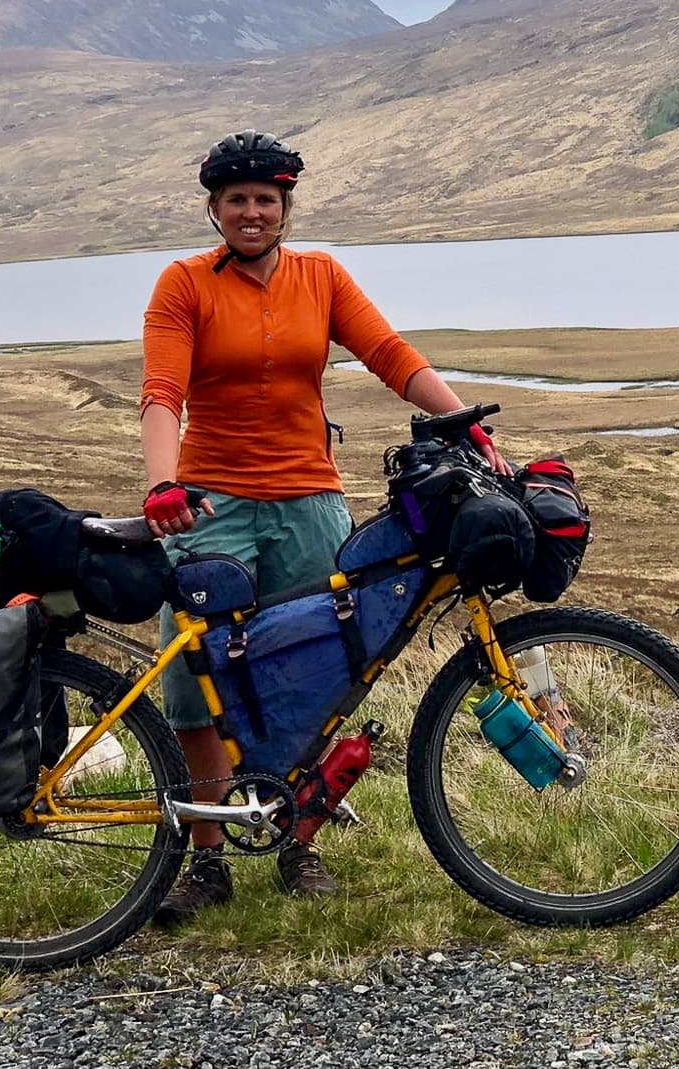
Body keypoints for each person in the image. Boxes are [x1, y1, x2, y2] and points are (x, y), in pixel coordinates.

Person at [138, 129, 508, 925]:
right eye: (236, 200)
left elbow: (388, 353)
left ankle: (297, 837)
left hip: (309, 499)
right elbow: (162, 390)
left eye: (265, 200)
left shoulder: (321, 276)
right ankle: (207, 858)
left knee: (322, 672)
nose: (251, 212)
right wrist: (163, 483)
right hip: (212, 501)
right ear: (214, 209)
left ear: (285, 208)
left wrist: (463, 423)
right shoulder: (183, 285)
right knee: (192, 680)